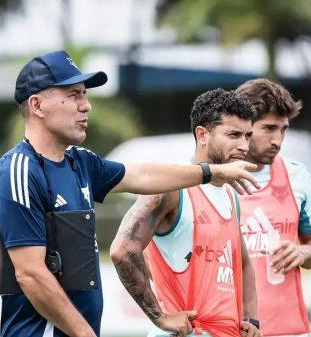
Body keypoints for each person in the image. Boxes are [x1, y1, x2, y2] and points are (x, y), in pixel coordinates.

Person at [0, 51, 261, 337]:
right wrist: (85, 334)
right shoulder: (19, 170)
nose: (86, 106)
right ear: (37, 105)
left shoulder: (80, 162)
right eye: (74, 95)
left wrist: (212, 173)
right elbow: (30, 274)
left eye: (85, 94)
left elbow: (142, 175)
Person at [111, 88, 262, 337]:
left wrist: (251, 320)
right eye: (233, 134)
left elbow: (243, 263)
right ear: (202, 135)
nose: (244, 145)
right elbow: (122, 250)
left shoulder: (230, 194)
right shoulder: (171, 188)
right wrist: (160, 317)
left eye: (247, 135)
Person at [235, 79, 311, 337]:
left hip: (288, 330)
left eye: (283, 129)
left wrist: (302, 252)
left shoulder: (297, 177)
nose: (278, 140)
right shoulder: (211, 181)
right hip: (228, 329)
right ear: (243, 126)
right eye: (269, 128)